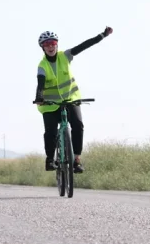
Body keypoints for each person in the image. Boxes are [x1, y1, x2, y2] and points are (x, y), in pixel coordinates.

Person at [34, 27, 114, 173]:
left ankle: (76, 159)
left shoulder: (65, 56)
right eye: (47, 44)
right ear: (42, 48)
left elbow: (84, 45)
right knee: (50, 131)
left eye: (53, 43)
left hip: (71, 99)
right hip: (50, 105)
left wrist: (102, 35)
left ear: (57, 44)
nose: (50, 47)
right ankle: (50, 159)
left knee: (78, 125)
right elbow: (40, 84)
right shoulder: (42, 66)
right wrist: (39, 97)